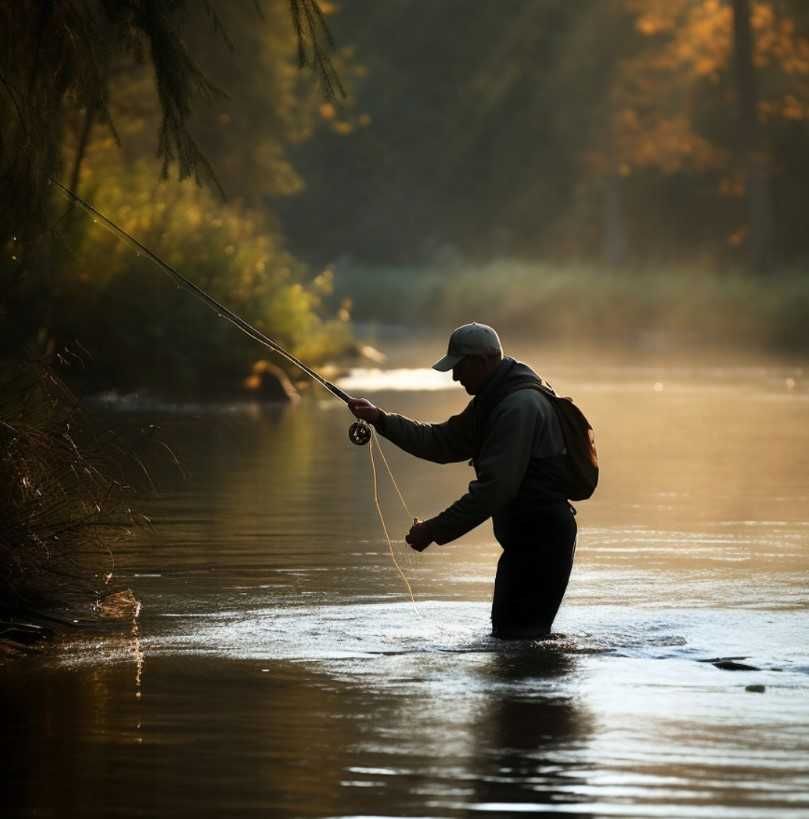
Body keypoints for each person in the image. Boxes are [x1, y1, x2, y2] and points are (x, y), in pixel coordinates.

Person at [348, 322, 578, 638]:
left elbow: (494, 491)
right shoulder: (494, 400)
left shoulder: (518, 407)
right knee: (513, 642)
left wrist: (434, 529)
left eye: (459, 367)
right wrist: (381, 420)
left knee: (518, 641)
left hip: (542, 542)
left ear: (482, 361)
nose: (455, 377)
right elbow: (442, 442)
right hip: (527, 541)